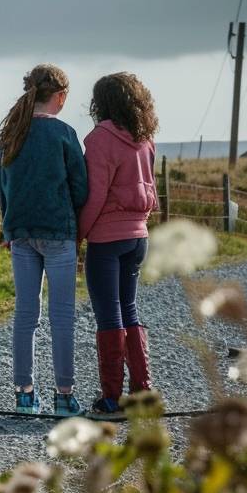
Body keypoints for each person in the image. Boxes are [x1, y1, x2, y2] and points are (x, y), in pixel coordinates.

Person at [0, 64, 88, 417]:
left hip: (20, 234)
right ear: (61, 96)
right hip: (58, 233)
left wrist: (9, 229)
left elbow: (2, 186)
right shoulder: (65, 134)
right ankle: (64, 396)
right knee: (61, 317)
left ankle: (24, 394)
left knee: (25, 315)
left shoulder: (11, 135)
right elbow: (80, 187)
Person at [78, 72, 159, 417]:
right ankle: (143, 392)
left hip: (107, 240)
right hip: (138, 236)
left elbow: (95, 197)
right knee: (130, 310)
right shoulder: (146, 138)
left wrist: (78, 234)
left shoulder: (99, 139)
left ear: (102, 102)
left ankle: (111, 398)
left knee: (109, 314)